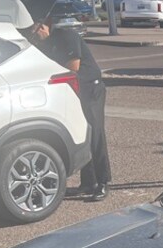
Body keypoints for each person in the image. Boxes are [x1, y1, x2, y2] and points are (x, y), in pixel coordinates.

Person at [30, 10, 111, 200]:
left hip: (90, 88)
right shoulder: (44, 43)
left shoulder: (66, 36)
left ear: (44, 25)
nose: (35, 37)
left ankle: (103, 182)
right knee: (82, 133)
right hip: (72, 90)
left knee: (96, 133)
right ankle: (88, 182)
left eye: (35, 32)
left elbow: (73, 67)